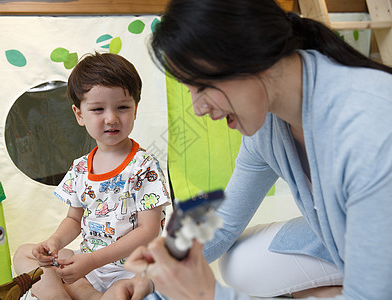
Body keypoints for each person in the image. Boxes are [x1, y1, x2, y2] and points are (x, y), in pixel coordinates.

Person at [123, 0, 392, 299]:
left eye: (201, 85)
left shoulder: (369, 128)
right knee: (241, 264)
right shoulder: (269, 125)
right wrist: (151, 279)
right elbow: (223, 224)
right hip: (346, 236)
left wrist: (205, 294)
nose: (197, 108)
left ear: (251, 55)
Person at [13, 52, 171, 300]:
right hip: (88, 268)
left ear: (135, 109)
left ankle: (99, 294)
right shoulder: (79, 168)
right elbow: (74, 220)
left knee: (142, 283)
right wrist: (54, 241)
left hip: (131, 269)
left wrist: (93, 260)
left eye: (122, 107)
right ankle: (59, 296)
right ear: (79, 115)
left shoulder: (144, 166)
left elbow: (148, 230)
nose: (111, 118)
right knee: (25, 253)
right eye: (98, 109)